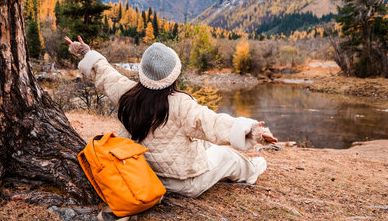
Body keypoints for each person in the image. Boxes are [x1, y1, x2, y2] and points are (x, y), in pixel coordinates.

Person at [65, 36, 277, 198]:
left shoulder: (127, 93)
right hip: (183, 183)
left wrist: (85, 52)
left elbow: (105, 74)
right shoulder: (181, 104)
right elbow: (213, 123)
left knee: (205, 147)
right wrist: (252, 131)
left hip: (142, 175)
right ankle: (251, 171)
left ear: (144, 73)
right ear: (173, 75)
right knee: (226, 156)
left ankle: (245, 168)